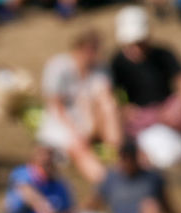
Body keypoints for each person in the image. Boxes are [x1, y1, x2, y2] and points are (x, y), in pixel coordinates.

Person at [110, 6, 181, 175]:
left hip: (169, 110)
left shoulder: (163, 54)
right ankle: (133, 158)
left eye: (140, 41)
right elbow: (111, 96)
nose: (137, 47)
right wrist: (126, 109)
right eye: (132, 43)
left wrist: (180, 103)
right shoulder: (116, 63)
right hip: (140, 120)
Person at [38, 30, 121, 184]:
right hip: (63, 123)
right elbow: (56, 106)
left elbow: (105, 97)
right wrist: (76, 131)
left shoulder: (100, 69)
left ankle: (119, 153)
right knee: (78, 146)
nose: (93, 54)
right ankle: (106, 182)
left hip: (91, 120)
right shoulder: (59, 66)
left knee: (109, 105)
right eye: (90, 49)